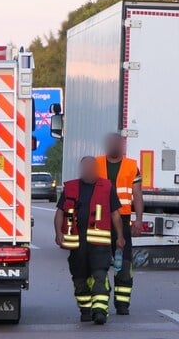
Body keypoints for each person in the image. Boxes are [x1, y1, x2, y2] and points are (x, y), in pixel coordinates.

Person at [55, 156, 126, 325]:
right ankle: (85, 309)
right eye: (85, 167)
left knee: (100, 275)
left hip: (99, 242)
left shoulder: (107, 187)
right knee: (79, 278)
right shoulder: (71, 188)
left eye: (91, 167)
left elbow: (115, 214)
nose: (89, 171)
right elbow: (60, 212)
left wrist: (120, 236)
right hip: (77, 243)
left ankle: (100, 311)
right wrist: (58, 233)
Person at [95, 133, 143, 316]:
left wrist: (138, 219)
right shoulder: (96, 164)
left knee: (123, 261)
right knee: (98, 261)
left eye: (118, 143)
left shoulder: (131, 166)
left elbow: (137, 195)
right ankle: (100, 301)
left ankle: (122, 304)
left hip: (122, 220)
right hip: (99, 219)